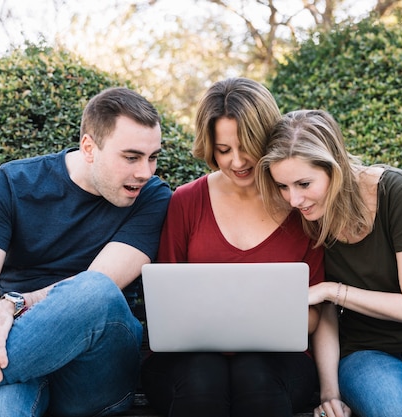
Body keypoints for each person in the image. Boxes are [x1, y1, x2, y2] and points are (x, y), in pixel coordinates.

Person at [0, 87, 172, 417]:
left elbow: (95, 286)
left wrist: (11, 304)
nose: (146, 172)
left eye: (153, 157)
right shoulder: (11, 184)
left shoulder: (151, 197)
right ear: (89, 148)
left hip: (95, 375)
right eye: (132, 157)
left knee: (96, 291)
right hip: (16, 364)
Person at [256, 109, 402, 417]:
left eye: (303, 183)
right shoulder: (306, 217)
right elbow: (325, 316)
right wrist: (329, 394)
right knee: (397, 412)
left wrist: (332, 290)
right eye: (283, 187)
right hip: (366, 353)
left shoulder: (395, 191)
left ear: (333, 169)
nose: (294, 200)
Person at [140, 78, 350, 417]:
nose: (237, 161)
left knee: (255, 375)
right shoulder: (187, 202)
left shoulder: (300, 204)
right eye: (223, 150)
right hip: (187, 363)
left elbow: (316, 312)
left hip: (278, 363)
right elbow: (167, 304)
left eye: (246, 145)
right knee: (203, 377)